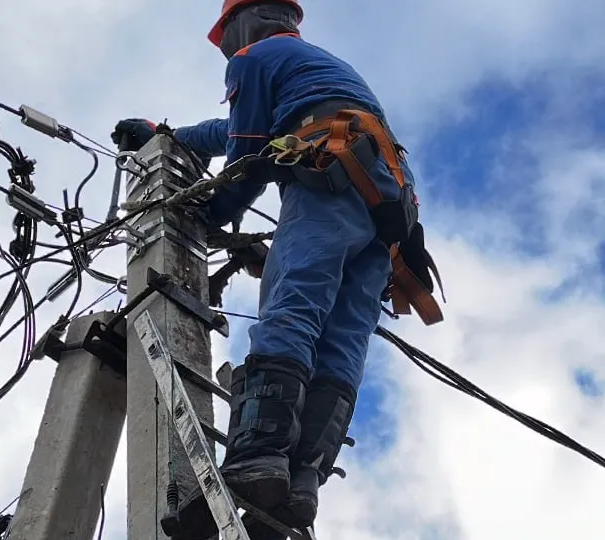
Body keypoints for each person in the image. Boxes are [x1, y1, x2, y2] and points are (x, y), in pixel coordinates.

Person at [112, 0, 436, 537]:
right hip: (387, 217)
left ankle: (258, 458)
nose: (226, 48)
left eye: (226, 36)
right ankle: (299, 487)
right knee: (341, 342)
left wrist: (201, 214)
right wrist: (167, 135)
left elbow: (246, 160)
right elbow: (238, 129)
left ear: (247, 20)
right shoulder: (308, 66)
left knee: (293, 310)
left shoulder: (255, 58)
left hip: (329, 181)